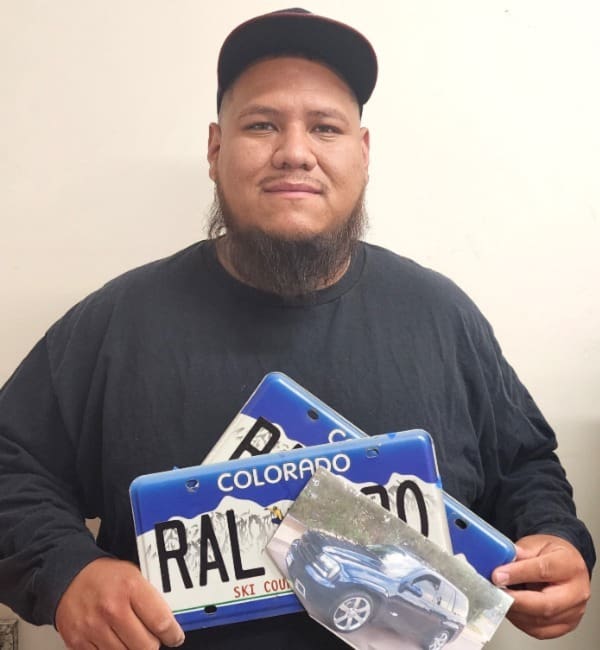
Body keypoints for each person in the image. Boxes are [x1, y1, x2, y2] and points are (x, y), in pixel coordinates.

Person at [0, 8, 594, 650]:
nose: (294, 152)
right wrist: (66, 572)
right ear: (214, 149)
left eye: (325, 127)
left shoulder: (442, 318)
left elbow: (524, 465)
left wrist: (556, 542)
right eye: (261, 124)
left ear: (362, 154)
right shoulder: (116, 325)